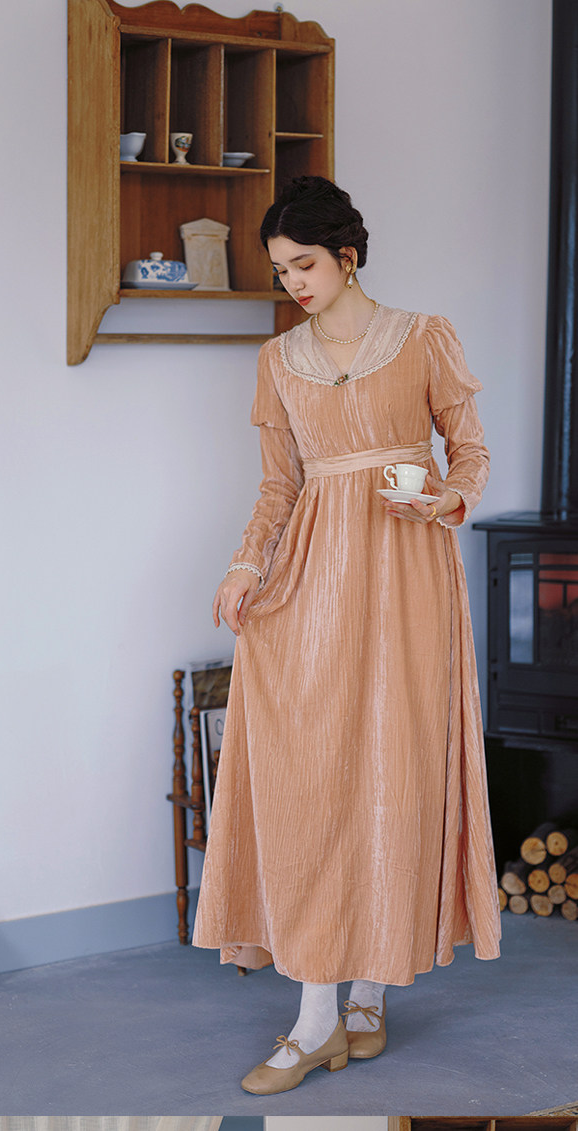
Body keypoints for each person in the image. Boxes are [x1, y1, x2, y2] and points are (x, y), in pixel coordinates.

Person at [192, 176, 501, 1095]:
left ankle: (367, 997)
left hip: (410, 574)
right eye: (281, 269)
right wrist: (245, 564)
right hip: (315, 575)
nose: (293, 282)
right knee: (316, 779)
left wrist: (445, 500)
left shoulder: (426, 336)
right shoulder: (278, 359)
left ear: (348, 257)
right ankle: (315, 1014)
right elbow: (278, 484)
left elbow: (471, 452)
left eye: (305, 264)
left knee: (394, 770)